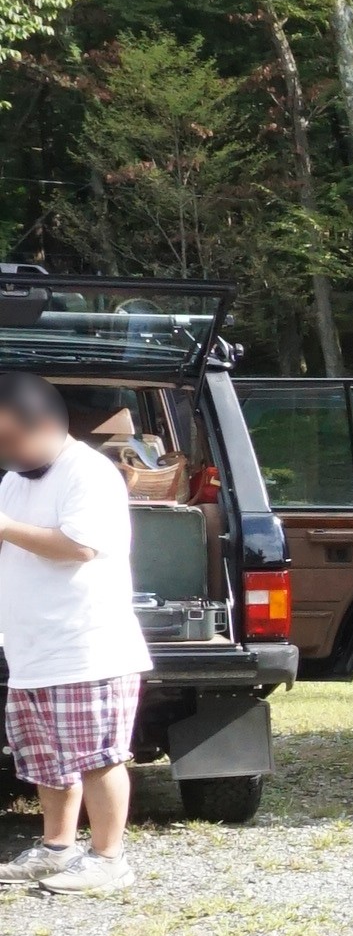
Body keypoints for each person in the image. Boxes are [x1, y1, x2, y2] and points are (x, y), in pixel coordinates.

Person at [0, 367, 150, 898]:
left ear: (43, 422)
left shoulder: (88, 472)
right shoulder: (14, 480)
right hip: (30, 651)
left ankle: (110, 860)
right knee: (44, 758)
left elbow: (78, 547)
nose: (7, 451)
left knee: (98, 757)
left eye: (11, 439)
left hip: (88, 648)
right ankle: (56, 848)